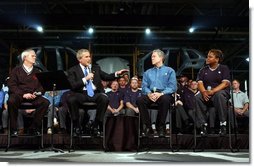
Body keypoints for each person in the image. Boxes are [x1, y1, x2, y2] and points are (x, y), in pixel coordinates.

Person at [66, 49, 128, 136]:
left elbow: (106, 76)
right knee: (71, 99)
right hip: (81, 94)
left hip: (94, 94)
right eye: (86, 57)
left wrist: (117, 73)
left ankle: (96, 125)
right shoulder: (72, 70)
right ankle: (76, 126)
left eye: (89, 56)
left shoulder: (96, 68)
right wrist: (85, 79)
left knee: (104, 98)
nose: (89, 58)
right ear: (80, 59)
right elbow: (73, 85)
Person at [7, 49, 50, 136]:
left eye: (35, 56)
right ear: (25, 58)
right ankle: (14, 129)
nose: (35, 57)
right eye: (32, 56)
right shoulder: (16, 70)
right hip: (19, 95)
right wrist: (23, 94)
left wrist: (37, 93)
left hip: (33, 96)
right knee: (11, 101)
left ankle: (34, 128)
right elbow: (12, 85)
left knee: (45, 102)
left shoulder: (37, 71)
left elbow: (42, 86)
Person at [137, 49, 177, 137]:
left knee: (166, 99)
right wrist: (148, 93)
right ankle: (147, 126)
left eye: (154, 56)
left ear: (161, 58)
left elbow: (173, 87)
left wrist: (161, 93)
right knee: (140, 100)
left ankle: (161, 126)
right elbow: (144, 87)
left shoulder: (170, 71)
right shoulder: (147, 72)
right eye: (151, 56)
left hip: (163, 94)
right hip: (150, 94)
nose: (152, 58)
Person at [195, 49, 230, 136]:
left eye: (210, 57)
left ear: (217, 59)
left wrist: (213, 91)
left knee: (219, 95)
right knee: (197, 97)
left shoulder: (223, 68)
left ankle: (223, 125)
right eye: (207, 56)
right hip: (207, 94)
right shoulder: (203, 70)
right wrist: (203, 92)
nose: (207, 58)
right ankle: (203, 125)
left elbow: (225, 83)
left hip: (219, 93)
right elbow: (199, 83)